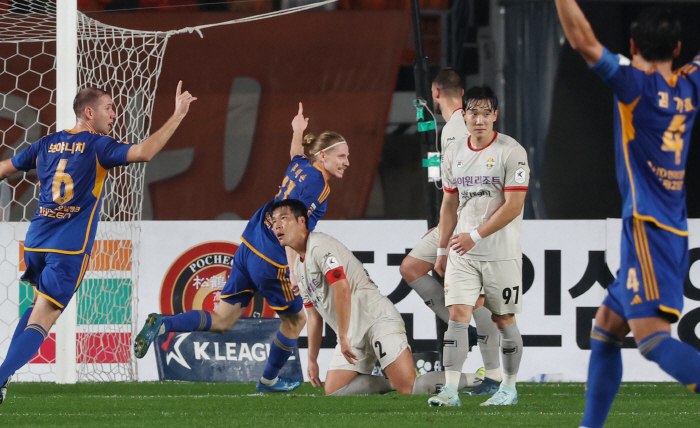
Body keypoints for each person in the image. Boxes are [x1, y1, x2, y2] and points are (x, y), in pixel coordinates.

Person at [0, 82, 196, 404]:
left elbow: (5, 169)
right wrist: (177, 115)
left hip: (36, 241)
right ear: (89, 113)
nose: (115, 115)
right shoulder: (98, 145)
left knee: (38, 306)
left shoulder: (46, 143)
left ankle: (3, 379)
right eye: (109, 108)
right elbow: (144, 152)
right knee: (44, 317)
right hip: (68, 248)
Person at [134, 103, 350, 393]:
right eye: (342, 156)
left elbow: (295, 153)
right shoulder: (317, 186)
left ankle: (164, 324)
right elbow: (289, 226)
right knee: (296, 320)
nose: (347, 162)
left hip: (249, 245)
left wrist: (297, 129)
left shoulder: (302, 166)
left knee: (223, 320)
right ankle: (268, 382)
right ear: (323, 156)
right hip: (272, 257)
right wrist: (295, 273)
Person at [553, 2, 700, 427]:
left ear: (633, 44)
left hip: (649, 230)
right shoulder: (690, 85)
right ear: (677, 47)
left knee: (652, 340)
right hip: (664, 226)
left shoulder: (634, 86)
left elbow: (583, 41)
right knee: (605, 329)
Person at [271, 198, 482, 396]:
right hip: (353, 333)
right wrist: (312, 360)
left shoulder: (320, 246)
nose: (277, 225)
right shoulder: (299, 268)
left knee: (409, 387)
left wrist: (343, 337)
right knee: (334, 390)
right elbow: (314, 317)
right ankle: (390, 382)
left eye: (283, 218)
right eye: (273, 222)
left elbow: (342, 288)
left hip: (376, 320)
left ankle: (479, 380)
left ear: (301, 222)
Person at [400, 68, 503, 396]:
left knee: (479, 299)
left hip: (471, 225)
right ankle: (470, 336)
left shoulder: (458, 126)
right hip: (460, 220)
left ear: (435, 92)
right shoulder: (455, 126)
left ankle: (493, 374)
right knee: (412, 267)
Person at [429, 85, 529, 407]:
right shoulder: (454, 151)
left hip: (500, 253)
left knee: (503, 320)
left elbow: (514, 206)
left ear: (495, 115)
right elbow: (448, 203)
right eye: (474, 112)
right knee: (458, 316)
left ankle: (509, 388)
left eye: (486, 113)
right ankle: (450, 391)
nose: (480, 119)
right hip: (462, 251)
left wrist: (476, 235)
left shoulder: (511, 152)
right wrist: (443, 249)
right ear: (465, 115)